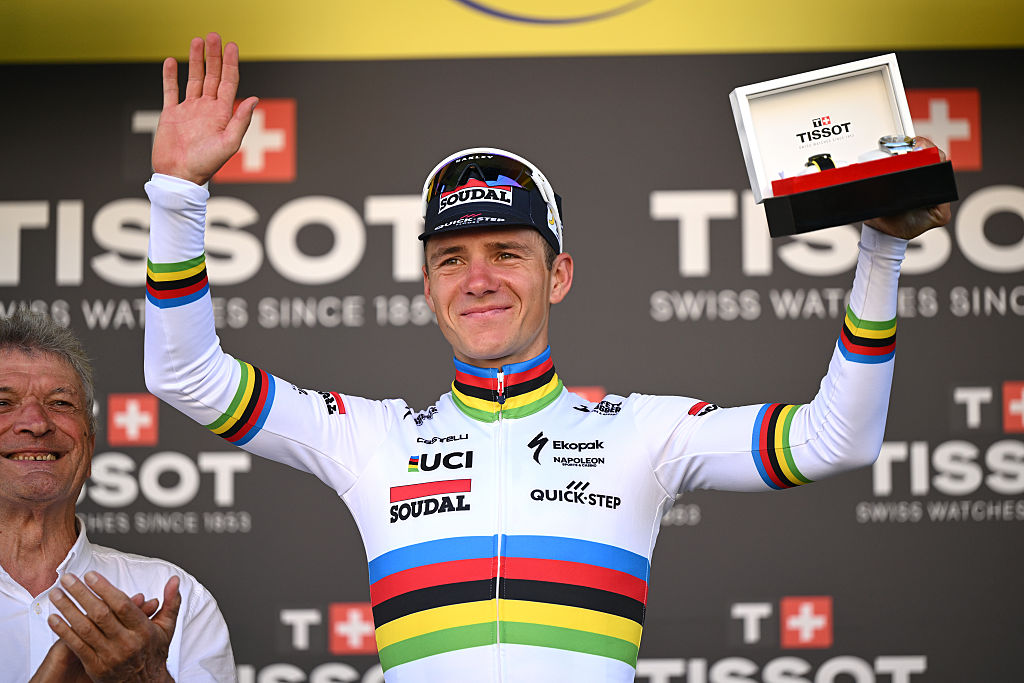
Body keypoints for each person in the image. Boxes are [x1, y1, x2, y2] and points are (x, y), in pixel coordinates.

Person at [143, 33, 950, 683]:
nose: (480, 278)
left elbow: (834, 440)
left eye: (508, 252)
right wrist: (178, 193)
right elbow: (186, 374)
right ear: (427, 287)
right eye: (452, 259)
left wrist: (881, 253)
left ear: (558, 275)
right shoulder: (370, 438)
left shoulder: (644, 433)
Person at [0, 309, 236, 682]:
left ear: (89, 449)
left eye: (60, 403)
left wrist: (149, 677)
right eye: (3, 403)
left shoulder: (172, 594)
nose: (36, 422)